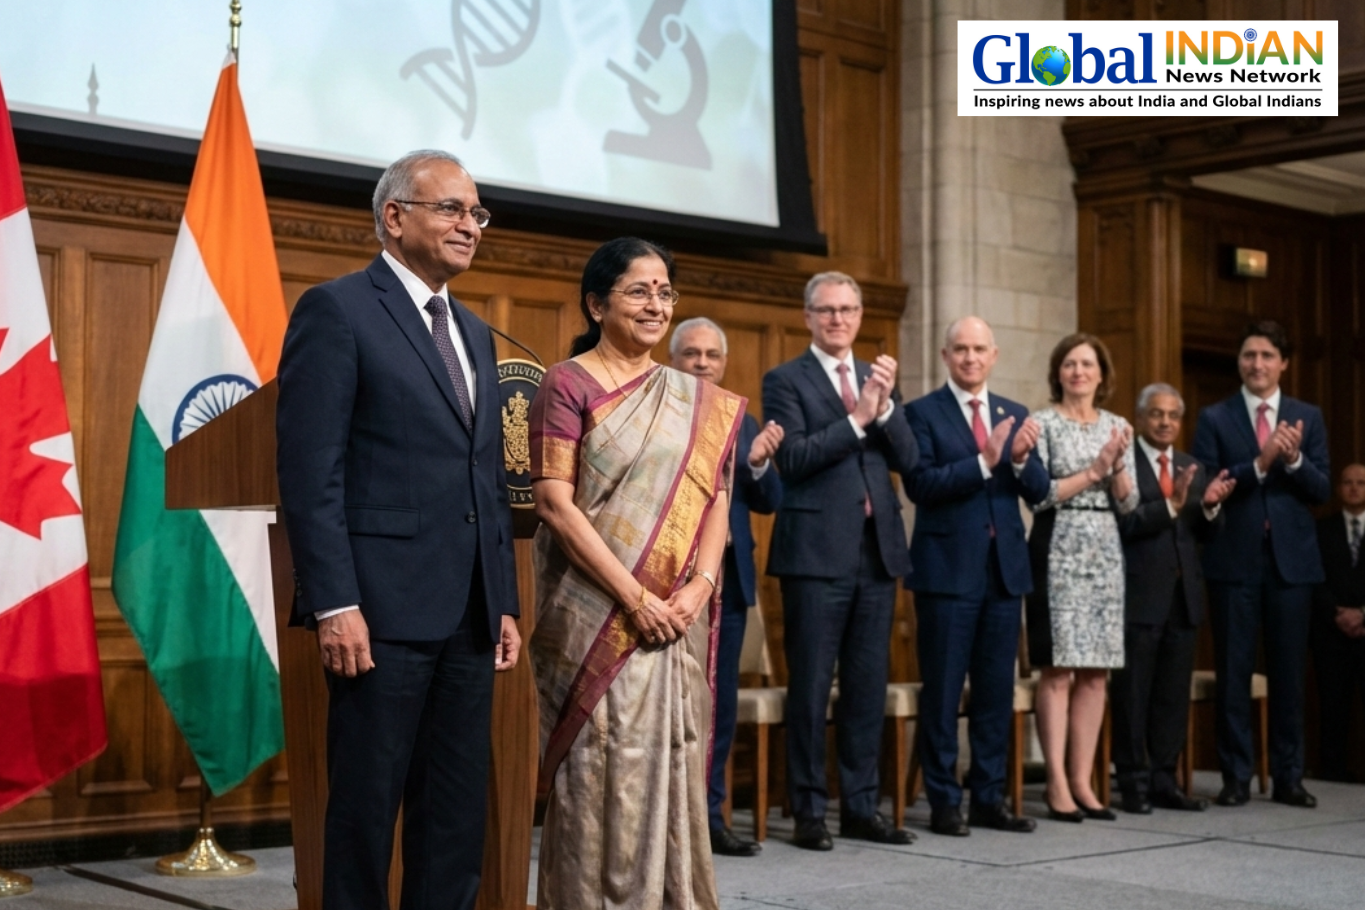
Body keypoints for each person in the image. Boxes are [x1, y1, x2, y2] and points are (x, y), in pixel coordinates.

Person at [276, 150, 521, 910]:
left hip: (468, 614)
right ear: (394, 217)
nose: (469, 226)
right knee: (363, 812)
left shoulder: (477, 334)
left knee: (454, 815)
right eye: (451, 208)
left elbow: (480, 480)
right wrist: (333, 603)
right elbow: (311, 475)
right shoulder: (338, 309)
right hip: (378, 614)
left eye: (476, 213)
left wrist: (501, 597)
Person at [529, 238, 745, 909]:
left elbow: (717, 500)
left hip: (677, 615)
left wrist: (698, 589)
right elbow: (553, 502)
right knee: (604, 773)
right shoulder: (567, 383)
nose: (656, 304)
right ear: (597, 303)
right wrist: (635, 599)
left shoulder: (696, 399)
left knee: (672, 764)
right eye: (638, 290)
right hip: (601, 615)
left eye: (664, 292)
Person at [762, 271, 919, 851]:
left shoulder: (878, 378)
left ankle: (860, 806)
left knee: (865, 686)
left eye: (848, 309)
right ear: (808, 317)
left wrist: (882, 411)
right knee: (810, 687)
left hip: (877, 556)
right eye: (826, 310)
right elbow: (795, 459)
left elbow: (909, 458)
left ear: (859, 316)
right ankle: (807, 810)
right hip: (815, 555)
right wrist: (857, 420)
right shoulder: (786, 379)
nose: (838, 319)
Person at [902, 316, 1046, 837]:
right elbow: (920, 484)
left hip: (1004, 574)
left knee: (994, 693)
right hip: (946, 574)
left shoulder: (1015, 412)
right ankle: (944, 801)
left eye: (979, 349)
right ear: (945, 356)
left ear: (994, 355)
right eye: (960, 349)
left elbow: (1038, 490)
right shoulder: (921, 413)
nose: (969, 357)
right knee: (942, 692)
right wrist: (985, 462)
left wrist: (1024, 459)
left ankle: (989, 797)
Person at [1193, 320, 1330, 808]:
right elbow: (1207, 484)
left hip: (1292, 566)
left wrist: (1292, 462)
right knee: (1234, 674)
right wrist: (1259, 464)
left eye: (1267, 356)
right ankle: (1236, 776)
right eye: (1249, 355)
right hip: (1234, 561)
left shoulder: (1306, 416)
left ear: (1283, 363)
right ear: (1240, 362)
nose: (1257, 364)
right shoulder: (1215, 417)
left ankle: (1289, 777)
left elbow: (1322, 490)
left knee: (1290, 675)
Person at [669, 317, 784, 858]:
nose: (702, 362)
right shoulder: (660, 410)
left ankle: (711, 818)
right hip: (669, 586)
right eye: (691, 353)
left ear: (724, 361)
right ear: (675, 359)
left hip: (729, 586)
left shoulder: (742, 418)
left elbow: (768, 500)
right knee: (670, 708)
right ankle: (670, 822)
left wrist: (758, 464)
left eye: (712, 354)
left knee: (719, 708)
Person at [1025, 333, 1138, 823]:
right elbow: (1040, 494)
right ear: (1058, 373)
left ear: (1101, 374)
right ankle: (1054, 780)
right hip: (1058, 543)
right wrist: (1094, 469)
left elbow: (1130, 503)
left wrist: (1116, 469)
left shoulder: (1117, 425)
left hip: (1105, 547)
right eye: (1069, 364)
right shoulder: (1041, 422)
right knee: (1059, 669)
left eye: (1087, 364)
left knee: (1096, 673)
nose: (1078, 372)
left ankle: (1082, 780)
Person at [1112, 383, 1235, 814]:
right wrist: (1173, 504)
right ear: (1141, 418)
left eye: (1173, 416)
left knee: (1170, 697)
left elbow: (1204, 535)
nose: (1165, 422)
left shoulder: (1191, 466)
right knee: (1133, 694)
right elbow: (1125, 526)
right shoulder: (1122, 464)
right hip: (1139, 596)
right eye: (1157, 414)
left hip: (1183, 599)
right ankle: (1132, 782)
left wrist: (1211, 508)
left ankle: (1165, 780)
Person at [1310, 464, 1365, 782]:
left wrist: (1362, 614)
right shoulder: (1321, 529)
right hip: (1331, 632)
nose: (1354, 488)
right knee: (1333, 705)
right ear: (1339, 488)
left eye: (1360, 483)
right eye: (1348, 482)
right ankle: (1332, 771)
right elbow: (1314, 577)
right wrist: (1339, 613)